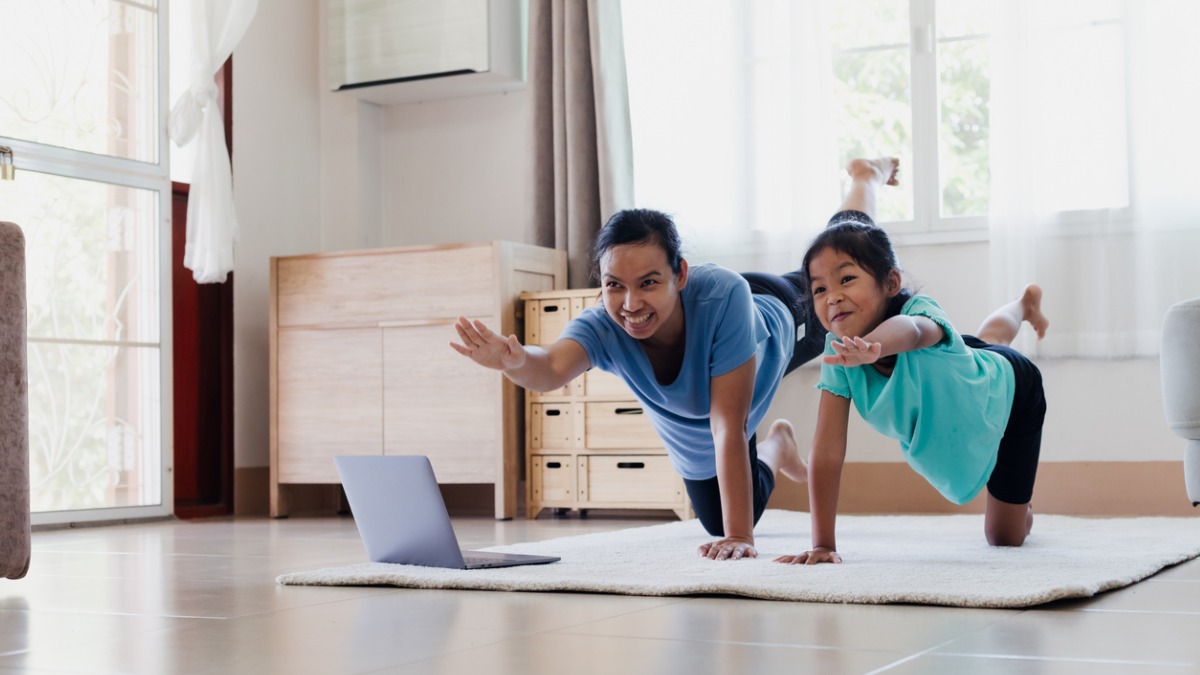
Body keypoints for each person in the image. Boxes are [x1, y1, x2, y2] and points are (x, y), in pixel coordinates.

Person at [451, 158, 901, 562]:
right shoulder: (602, 326)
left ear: (679, 274)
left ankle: (865, 176)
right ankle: (777, 446)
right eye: (614, 285)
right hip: (716, 419)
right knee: (715, 522)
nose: (630, 303)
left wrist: (741, 536)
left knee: (841, 254)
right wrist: (512, 360)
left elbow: (727, 422)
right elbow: (548, 368)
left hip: (774, 318)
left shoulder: (724, 293)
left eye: (648, 282)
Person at [776, 213, 1049, 565]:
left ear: (890, 282)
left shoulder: (920, 312)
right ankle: (1023, 305)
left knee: (1006, 537)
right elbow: (827, 450)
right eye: (820, 289)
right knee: (986, 342)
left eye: (846, 279)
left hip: (1012, 392)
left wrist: (874, 346)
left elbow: (914, 331)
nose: (833, 297)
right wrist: (823, 544)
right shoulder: (838, 354)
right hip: (964, 372)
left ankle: (1023, 305)